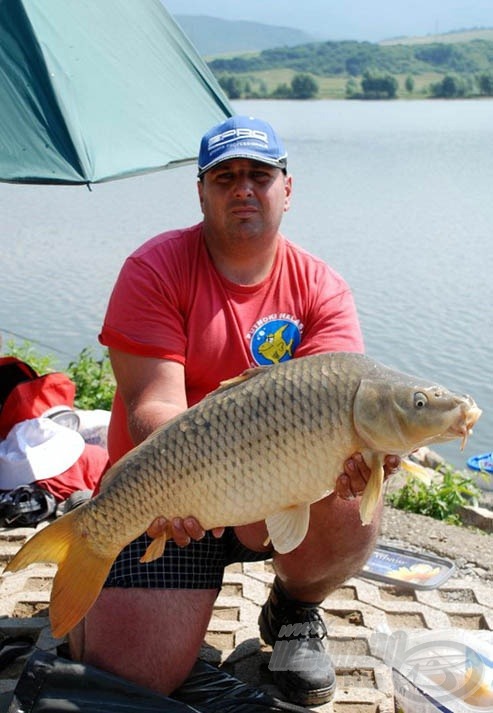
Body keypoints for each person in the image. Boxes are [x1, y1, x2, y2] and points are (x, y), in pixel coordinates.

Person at [69, 115, 398, 707]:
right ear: (201, 192)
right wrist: (182, 491)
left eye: (259, 175)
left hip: (274, 495)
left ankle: (295, 610)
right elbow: (154, 404)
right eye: (225, 177)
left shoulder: (321, 287)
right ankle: (101, 592)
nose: (243, 188)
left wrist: (365, 461)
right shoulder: (156, 268)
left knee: (356, 497)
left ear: (287, 190)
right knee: (128, 674)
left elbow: (340, 404)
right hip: (167, 503)